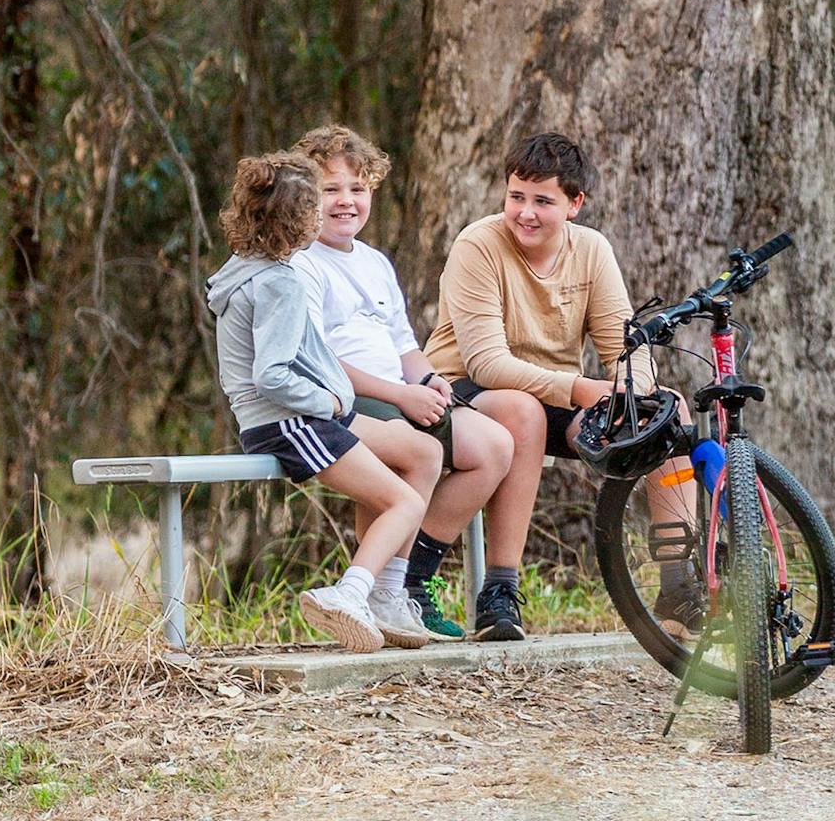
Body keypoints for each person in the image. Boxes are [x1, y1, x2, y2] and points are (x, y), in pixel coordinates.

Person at [423, 132, 694, 641]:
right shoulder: (478, 244)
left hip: (555, 394)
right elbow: (487, 362)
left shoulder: (591, 249)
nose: (525, 213)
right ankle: (500, 593)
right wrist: (582, 390)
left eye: (542, 201)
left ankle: (678, 585)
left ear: (574, 204)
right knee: (522, 412)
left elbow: (625, 348)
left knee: (671, 412)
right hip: (466, 389)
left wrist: (631, 393)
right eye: (516, 197)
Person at [292, 123, 515, 641]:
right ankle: (378, 588)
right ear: (306, 195)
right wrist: (400, 395)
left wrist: (430, 380)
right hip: (351, 398)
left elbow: (403, 346)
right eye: (331, 189)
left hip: (402, 394)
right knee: (414, 451)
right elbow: (315, 358)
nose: (346, 201)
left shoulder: (375, 262)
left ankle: (404, 583)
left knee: (495, 446)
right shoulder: (302, 263)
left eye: (358, 188)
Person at [206, 151, 431, 651]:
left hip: (290, 417)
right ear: (299, 220)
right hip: (291, 421)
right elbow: (271, 376)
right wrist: (328, 401)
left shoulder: (244, 267)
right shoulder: (280, 282)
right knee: (405, 501)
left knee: (416, 462)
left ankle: (378, 597)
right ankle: (350, 594)